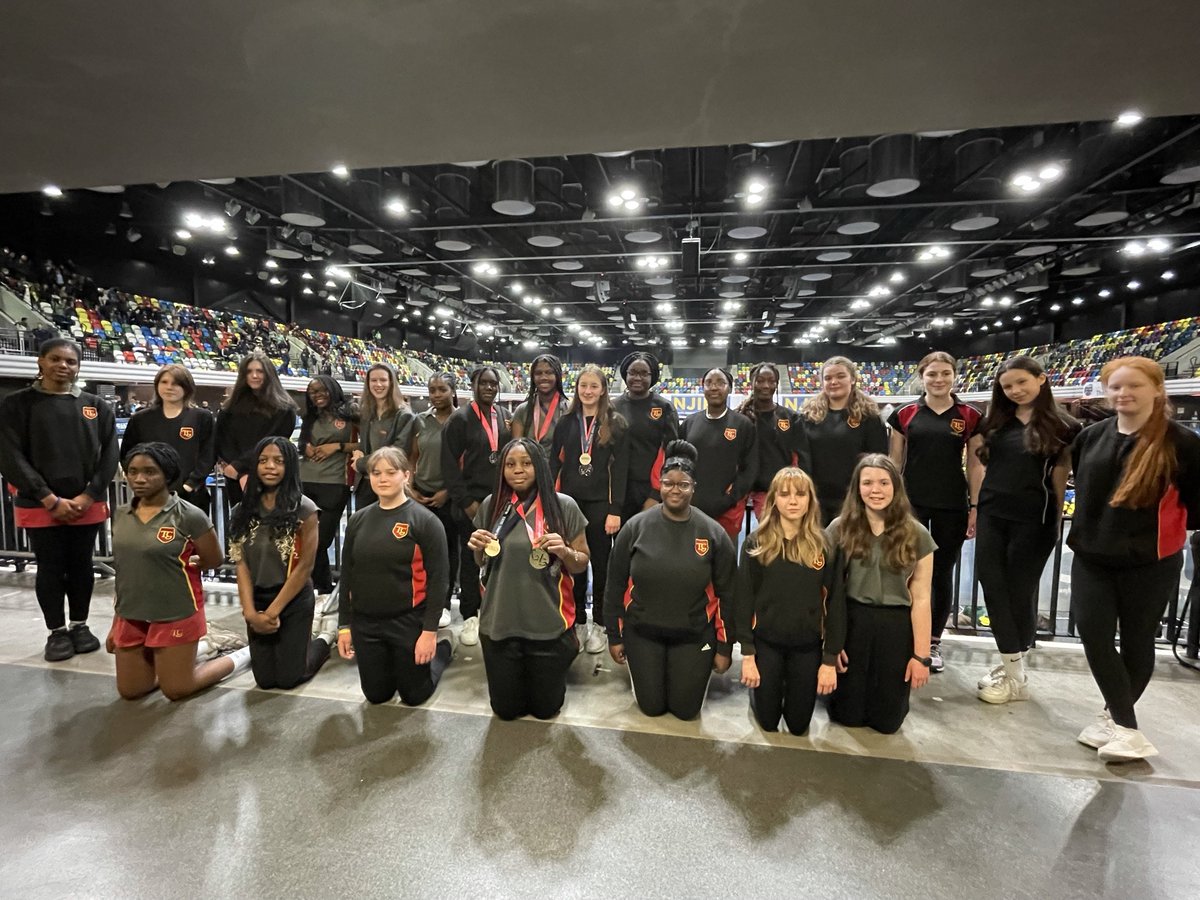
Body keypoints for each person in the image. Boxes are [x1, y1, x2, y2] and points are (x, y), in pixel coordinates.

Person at [1068, 357, 1200, 761]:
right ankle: (1126, 725)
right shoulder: (1090, 436)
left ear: (1157, 390)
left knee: (1138, 641)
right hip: (1092, 555)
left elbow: (1196, 505)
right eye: (1115, 387)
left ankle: (1115, 719)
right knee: (1093, 634)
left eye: (1134, 386)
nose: (1123, 394)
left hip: (1151, 561)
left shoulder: (1182, 443)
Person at [0, 338, 118, 661]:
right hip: (39, 504)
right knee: (50, 567)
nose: (63, 366)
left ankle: (80, 624)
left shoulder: (97, 405)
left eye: (70, 361)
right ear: (40, 362)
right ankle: (57, 631)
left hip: (86, 504)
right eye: (56, 359)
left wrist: (90, 494)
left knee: (82, 566)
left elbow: (110, 453)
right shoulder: (16, 404)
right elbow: (9, 455)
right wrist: (47, 497)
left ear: (78, 366)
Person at [973, 356, 1080, 704]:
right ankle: (1013, 668)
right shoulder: (994, 423)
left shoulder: (1065, 427)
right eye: (1007, 386)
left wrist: (1056, 522)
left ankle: (1013, 671)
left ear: (1042, 379)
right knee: (992, 586)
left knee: (1019, 594)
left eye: (1022, 382)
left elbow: (1061, 476)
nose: (1015, 390)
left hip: (1035, 519)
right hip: (993, 514)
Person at [107, 443, 251, 699]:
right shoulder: (120, 514)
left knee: (176, 689)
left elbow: (213, 559)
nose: (139, 478)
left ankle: (240, 654)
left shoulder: (189, 516)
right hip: (132, 612)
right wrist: (115, 622)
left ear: (168, 475)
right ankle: (191, 654)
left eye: (150, 472)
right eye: (133, 471)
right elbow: (124, 570)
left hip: (176, 611)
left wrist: (182, 568)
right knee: (131, 691)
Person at [606, 440, 736, 721]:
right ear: (660, 485)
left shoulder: (713, 533)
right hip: (642, 632)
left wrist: (724, 646)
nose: (675, 490)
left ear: (693, 488)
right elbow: (614, 586)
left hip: (695, 636)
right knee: (652, 707)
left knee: (685, 710)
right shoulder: (635, 527)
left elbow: (727, 594)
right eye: (668, 483)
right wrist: (614, 636)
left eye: (683, 485)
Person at [465, 438, 590, 720]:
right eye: (510, 464)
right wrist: (477, 548)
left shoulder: (563, 506)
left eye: (526, 463)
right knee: (506, 711)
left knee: (546, 711)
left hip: (548, 626)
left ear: (540, 467)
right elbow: (482, 562)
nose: (517, 470)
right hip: (500, 623)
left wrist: (566, 552)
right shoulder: (492, 505)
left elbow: (582, 563)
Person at [887, 351, 983, 674]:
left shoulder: (969, 415)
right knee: (904, 569)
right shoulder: (905, 413)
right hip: (911, 505)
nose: (939, 379)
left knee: (940, 574)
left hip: (951, 505)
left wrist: (974, 506)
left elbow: (974, 464)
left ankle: (933, 641)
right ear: (921, 376)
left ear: (955, 376)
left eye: (945, 374)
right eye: (932, 374)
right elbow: (894, 463)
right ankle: (903, 636)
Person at [825, 454, 935, 734]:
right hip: (852, 621)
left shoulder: (917, 534)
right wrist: (831, 646)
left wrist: (921, 657)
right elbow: (825, 591)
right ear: (857, 488)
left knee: (887, 723)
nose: (876, 490)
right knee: (847, 717)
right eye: (868, 483)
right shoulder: (840, 529)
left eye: (884, 483)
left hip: (896, 627)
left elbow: (921, 598)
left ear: (896, 487)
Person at [336, 448, 454, 705]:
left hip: (408, 621)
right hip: (366, 623)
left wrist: (429, 632)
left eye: (391, 472)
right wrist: (344, 626)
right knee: (377, 695)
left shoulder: (425, 521)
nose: (383, 478)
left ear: (406, 476)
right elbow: (347, 575)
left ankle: (443, 650)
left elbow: (439, 580)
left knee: (414, 696)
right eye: (376, 473)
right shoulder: (358, 521)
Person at [737, 467, 845, 735]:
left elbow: (836, 604)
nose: (793, 501)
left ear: (810, 499)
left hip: (807, 647)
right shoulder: (756, 543)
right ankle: (761, 696)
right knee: (769, 723)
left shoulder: (825, 545)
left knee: (798, 726)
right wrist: (748, 655)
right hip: (766, 643)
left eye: (800, 494)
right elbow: (743, 599)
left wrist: (829, 661)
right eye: (784, 495)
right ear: (774, 500)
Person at [228, 436, 334, 689]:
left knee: (288, 679)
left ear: (290, 467)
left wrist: (273, 612)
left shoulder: (305, 510)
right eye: (263, 461)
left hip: (293, 600)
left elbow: (305, 566)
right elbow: (240, 565)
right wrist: (251, 613)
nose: (270, 467)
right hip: (258, 599)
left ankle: (323, 642)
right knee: (265, 681)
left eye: (279, 461)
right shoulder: (240, 511)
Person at [550, 364, 629, 654]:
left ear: (603, 389)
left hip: (601, 506)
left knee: (602, 566)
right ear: (577, 388)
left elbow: (621, 471)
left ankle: (601, 624)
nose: (588, 391)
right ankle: (578, 621)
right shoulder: (566, 422)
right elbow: (554, 463)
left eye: (594, 386)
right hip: (570, 505)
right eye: (583, 385)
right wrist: (550, 501)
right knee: (574, 564)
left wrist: (615, 509)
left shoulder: (616, 424)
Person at [442, 365, 511, 646]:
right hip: (470, 503)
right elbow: (449, 465)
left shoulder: (504, 416)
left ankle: (494, 609)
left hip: (501, 502)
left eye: (494, 383)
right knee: (472, 560)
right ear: (473, 384)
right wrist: (467, 502)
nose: (489, 388)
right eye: (484, 383)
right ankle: (471, 614)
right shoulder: (460, 419)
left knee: (499, 556)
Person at [801, 357, 889, 524]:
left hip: (854, 498)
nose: (834, 382)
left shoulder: (868, 417)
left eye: (840, 376)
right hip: (815, 498)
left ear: (853, 379)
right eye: (828, 378)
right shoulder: (808, 416)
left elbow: (878, 461)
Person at [120, 364, 217, 514]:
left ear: (187, 387)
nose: (169, 387)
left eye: (176, 383)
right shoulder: (141, 419)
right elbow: (127, 454)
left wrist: (190, 484)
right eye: (164, 382)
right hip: (150, 496)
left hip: (190, 496)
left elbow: (208, 454)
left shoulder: (202, 417)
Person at [408, 371, 460, 630]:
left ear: (453, 391)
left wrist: (447, 492)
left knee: (448, 552)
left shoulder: (461, 420)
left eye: (442, 389)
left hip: (449, 497)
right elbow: (412, 457)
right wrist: (410, 488)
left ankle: (444, 602)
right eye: (433, 390)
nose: (437, 395)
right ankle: (423, 600)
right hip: (422, 496)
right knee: (423, 552)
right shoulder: (420, 421)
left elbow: (465, 462)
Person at [298, 374, 358, 596]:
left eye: (322, 390)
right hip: (306, 480)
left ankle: (321, 587)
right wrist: (305, 448)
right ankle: (322, 589)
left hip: (334, 482)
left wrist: (338, 446)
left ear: (333, 389)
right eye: (313, 392)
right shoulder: (310, 417)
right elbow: (302, 442)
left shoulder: (351, 412)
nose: (318, 395)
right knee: (307, 539)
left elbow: (366, 443)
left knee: (321, 540)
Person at [681, 367, 757, 540]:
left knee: (725, 562)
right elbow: (680, 463)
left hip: (728, 510)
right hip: (692, 508)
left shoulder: (743, 425)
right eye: (709, 383)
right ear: (702, 388)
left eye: (720, 383)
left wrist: (730, 498)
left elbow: (750, 468)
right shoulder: (689, 423)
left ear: (729, 388)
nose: (714, 387)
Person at [215, 351, 298, 507]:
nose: (254, 376)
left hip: (269, 473)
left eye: (259, 371)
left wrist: (241, 467)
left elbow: (275, 442)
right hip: (234, 476)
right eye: (249, 371)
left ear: (269, 374)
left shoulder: (285, 409)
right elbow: (223, 440)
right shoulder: (229, 408)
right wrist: (235, 469)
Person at [738, 362, 811, 522]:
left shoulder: (791, 418)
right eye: (760, 380)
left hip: (781, 490)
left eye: (771, 381)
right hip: (748, 491)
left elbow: (803, 458)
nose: (766, 385)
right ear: (752, 383)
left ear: (777, 384)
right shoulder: (741, 417)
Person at [612, 352, 679, 523]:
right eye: (633, 372)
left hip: (650, 490)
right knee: (621, 542)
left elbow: (671, 454)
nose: (637, 378)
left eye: (644, 373)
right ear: (625, 373)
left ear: (653, 376)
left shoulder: (664, 408)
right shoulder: (613, 407)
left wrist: (655, 495)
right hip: (617, 489)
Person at [351, 362, 414, 507]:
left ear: (391, 382)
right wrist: (358, 453)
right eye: (373, 380)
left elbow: (398, 452)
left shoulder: (404, 414)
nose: (378, 384)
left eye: (383, 380)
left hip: (389, 483)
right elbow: (366, 445)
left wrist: (360, 462)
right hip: (366, 483)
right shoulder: (366, 412)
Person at [510, 354, 568, 460]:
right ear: (532, 377)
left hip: (560, 473)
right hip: (531, 472)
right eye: (538, 373)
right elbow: (516, 451)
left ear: (558, 376)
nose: (544, 377)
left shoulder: (568, 409)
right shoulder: (522, 410)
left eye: (549, 372)